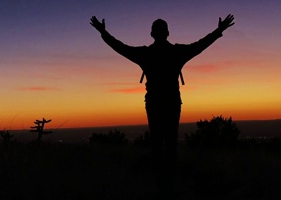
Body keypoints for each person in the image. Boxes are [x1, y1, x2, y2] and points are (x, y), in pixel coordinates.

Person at [89, 14, 235, 187]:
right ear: (167, 33)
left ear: (152, 34)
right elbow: (200, 45)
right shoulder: (177, 52)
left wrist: (103, 33)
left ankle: (159, 183)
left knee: (157, 143)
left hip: (154, 104)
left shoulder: (145, 54)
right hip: (172, 103)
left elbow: (120, 47)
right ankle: (170, 183)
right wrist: (219, 30)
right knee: (171, 142)